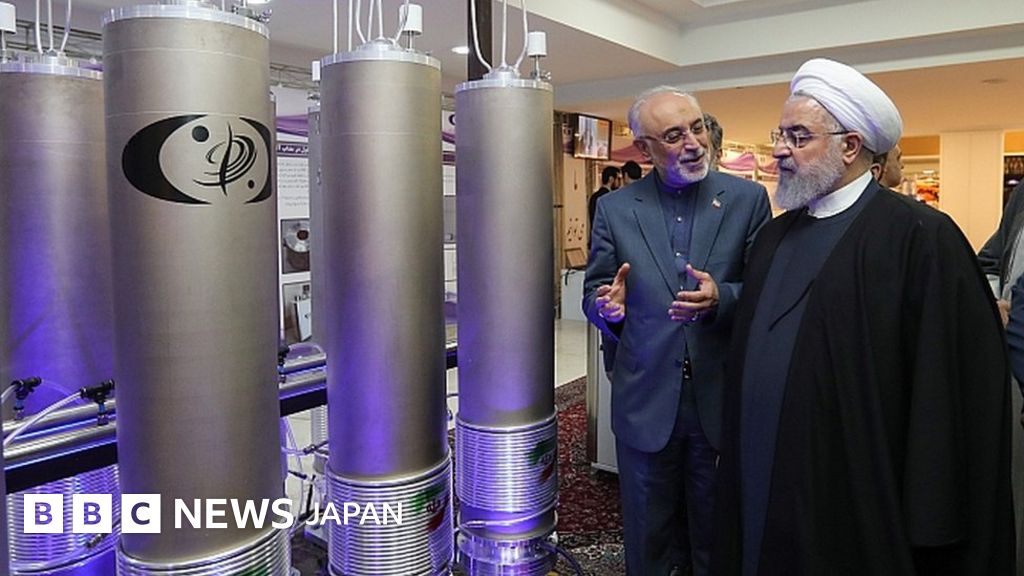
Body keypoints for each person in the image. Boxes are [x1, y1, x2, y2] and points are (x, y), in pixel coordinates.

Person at [711, 58, 1013, 575]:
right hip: (763, 473)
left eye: (798, 136)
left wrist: (930, 515)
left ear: (850, 146)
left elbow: (952, 392)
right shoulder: (774, 238)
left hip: (859, 495)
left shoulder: (920, 237)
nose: (780, 149)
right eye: (781, 134)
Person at [584, 86, 771, 576]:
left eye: (697, 127)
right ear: (644, 149)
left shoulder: (747, 200)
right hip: (645, 398)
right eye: (674, 135)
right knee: (647, 535)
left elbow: (764, 290)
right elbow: (596, 291)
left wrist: (722, 298)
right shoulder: (616, 209)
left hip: (717, 397)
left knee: (715, 534)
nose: (693, 143)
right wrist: (608, 309)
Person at [588, 164, 621, 229]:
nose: (619, 182)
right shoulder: (610, 198)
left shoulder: (594, 196)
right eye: (618, 179)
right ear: (611, 179)